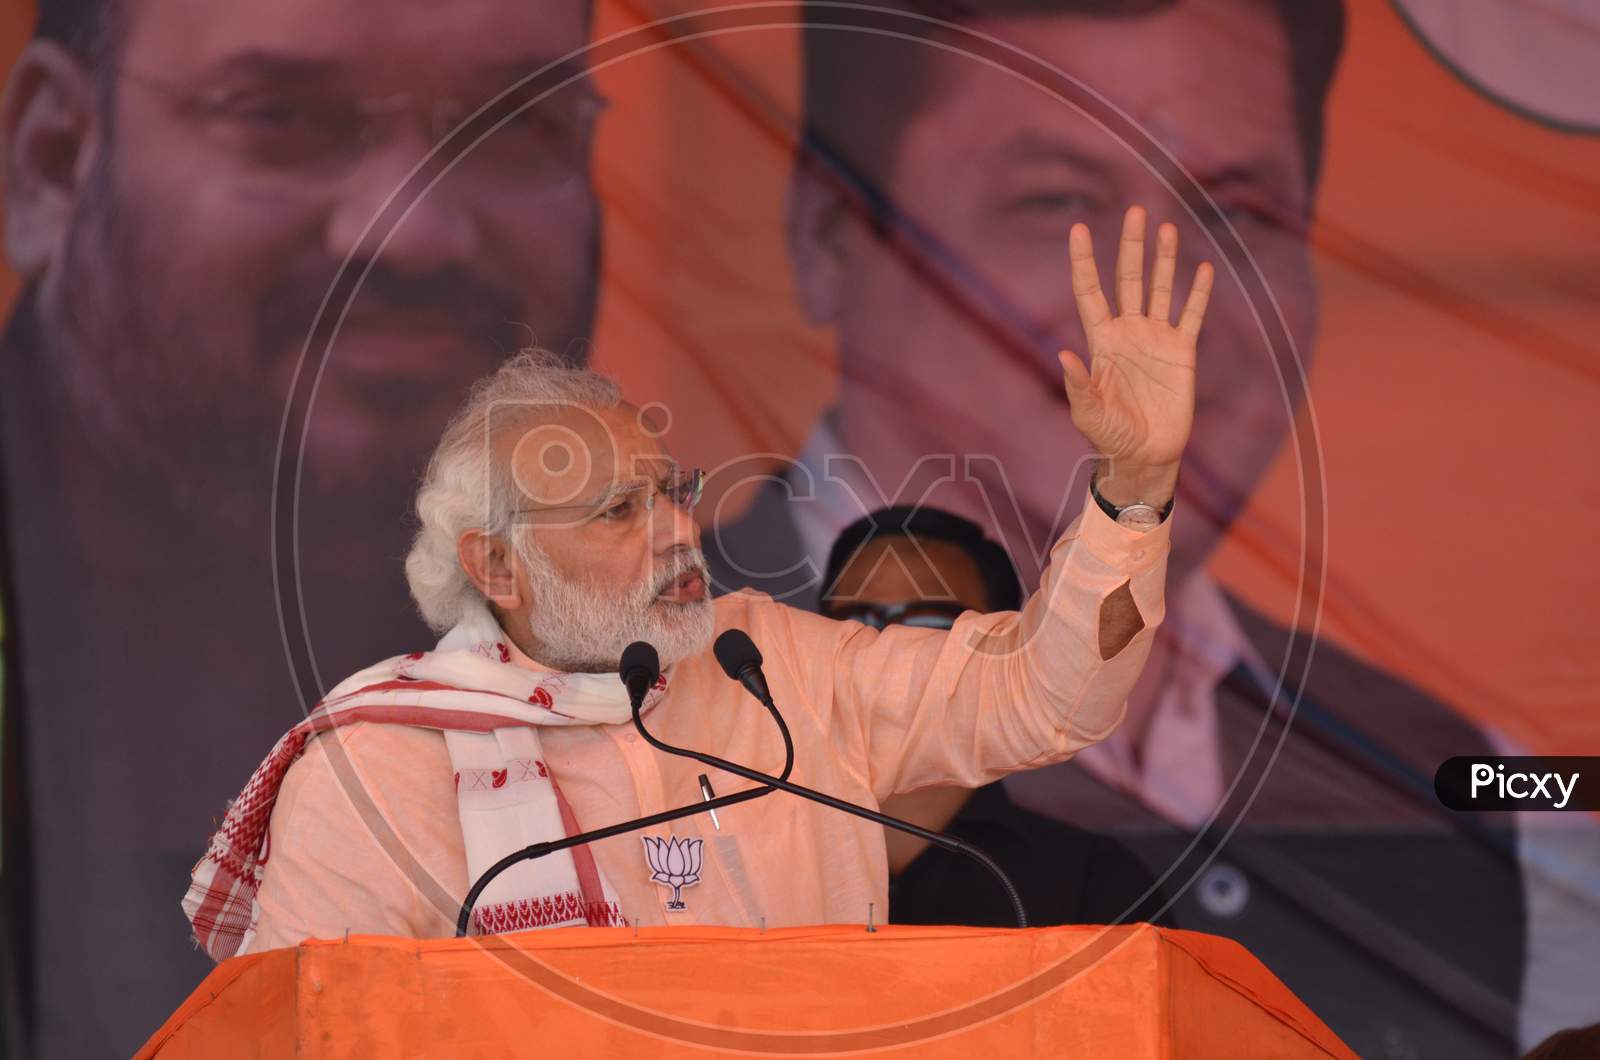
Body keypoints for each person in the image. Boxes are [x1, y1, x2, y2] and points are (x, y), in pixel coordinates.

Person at [703, 2, 1526, 1056]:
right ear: (827, 234)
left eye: (1236, 215)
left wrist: (1134, 483)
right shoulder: (660, 717)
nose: (1151, 316)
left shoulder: (1442, 773)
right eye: (1055, 206)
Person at [186, 209, 1207, 954]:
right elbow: (316, 1028)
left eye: (671, 493)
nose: (680, 532)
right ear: (495, 564)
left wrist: (1136, 487)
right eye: (619, 511)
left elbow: (1050, 694)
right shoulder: (382, 768)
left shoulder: (778, 667)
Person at [0, 0, 602, 1050]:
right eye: (283, 117)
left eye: (515, 125)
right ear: (53, 160)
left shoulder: (711, 691)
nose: (414, 232)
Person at [819, 504, 1168, 928]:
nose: (889, 649)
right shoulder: (749, 853)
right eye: (856, 623)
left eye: (929, 623)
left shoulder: (1093, 881)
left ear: (1005, 653)